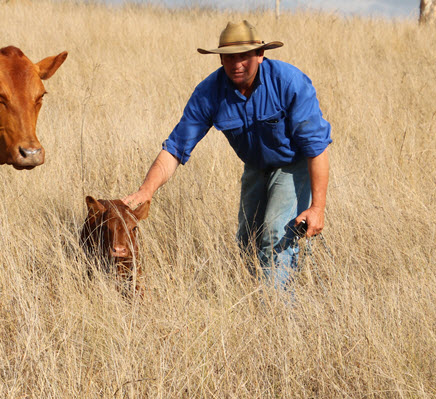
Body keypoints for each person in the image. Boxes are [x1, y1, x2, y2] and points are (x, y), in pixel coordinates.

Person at [123, 20, 331, 288]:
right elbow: (175, 148)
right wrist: (146, 191)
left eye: (244, 56)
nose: (237, 64)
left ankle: (279, 318)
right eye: (229, 57)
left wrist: (317, 208)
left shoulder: (289, 82)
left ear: (260, 55)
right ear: (220, 58)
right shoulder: (209, 92)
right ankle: (267, 295)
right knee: (248, 241)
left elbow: (317, 147)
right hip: (255, 167)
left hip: (295, 164)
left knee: (274, 235)